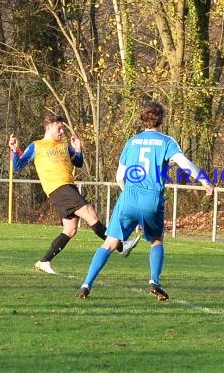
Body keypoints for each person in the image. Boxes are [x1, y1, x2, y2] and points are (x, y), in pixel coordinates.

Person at [76, 100, 214, 300]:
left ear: (142, 119)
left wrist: (129, 194)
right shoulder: (167, 141)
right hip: (151, 199)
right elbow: (185, 164)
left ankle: (86, 284)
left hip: (128, 197)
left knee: (109, 243)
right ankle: (154, 281)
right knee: (156, 240)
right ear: (161, 119)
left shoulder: (132, 141)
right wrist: (205, 182)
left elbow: (119, 177)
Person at [9, 114, 140, 275]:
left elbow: (77, 162)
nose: (62, 131)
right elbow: (17, 166)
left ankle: (44, 261)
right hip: (59, 188)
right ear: (49, 126)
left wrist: (78, 149)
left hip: (68, 187)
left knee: (70, 229)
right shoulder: (37, 146)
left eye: (62, 127)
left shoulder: (64, 144)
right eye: (59, 127)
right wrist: (14, 150)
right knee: (90, 213)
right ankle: (121, 246)